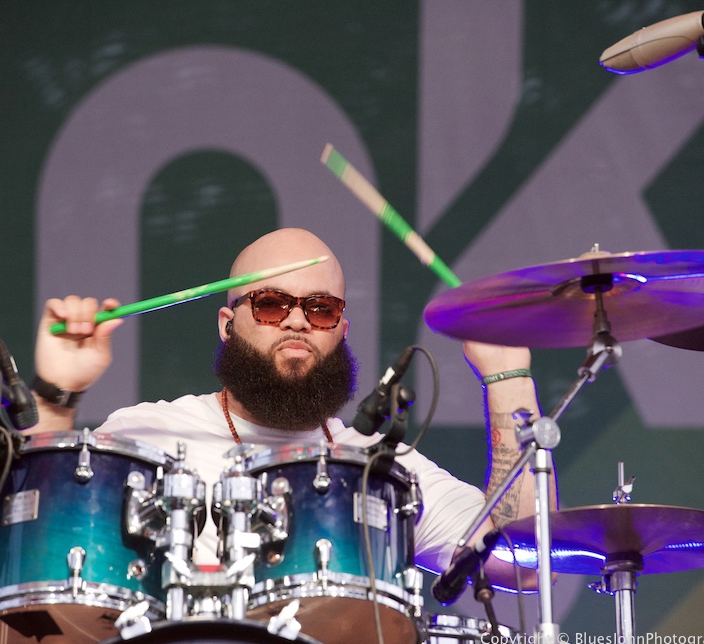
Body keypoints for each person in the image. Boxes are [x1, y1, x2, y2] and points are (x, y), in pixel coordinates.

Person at [28, 227, 549, 592]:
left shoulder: (384, 472)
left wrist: (507, 376)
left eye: (321, 309)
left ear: (342, 331)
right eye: (272, 304)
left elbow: (524, 564)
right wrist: (56, 398)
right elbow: (38, 547)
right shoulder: (145, 433)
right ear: (227, 324)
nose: (297, 321)